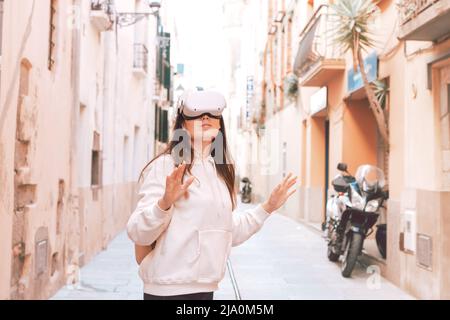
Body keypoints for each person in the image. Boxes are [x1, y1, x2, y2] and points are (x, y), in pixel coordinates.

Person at [127, 90, 298, 300]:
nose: (205, 117)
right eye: (197, 113)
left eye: (212, 114)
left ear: (220, 125)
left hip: (206, 289)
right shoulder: (165, 166)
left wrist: (267, 208)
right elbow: (138, 232)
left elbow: (228, 231)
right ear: (182, 123)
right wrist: (164, 203)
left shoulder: (220, 171)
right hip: (167, 290)